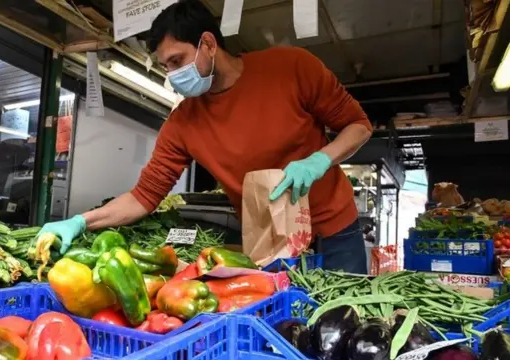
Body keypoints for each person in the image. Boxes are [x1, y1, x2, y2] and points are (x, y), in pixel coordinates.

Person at [38, 0, 373, 273]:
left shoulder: (292, 68)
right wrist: (81, 221)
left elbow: (359, 125)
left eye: (177, 61)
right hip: (267, 244)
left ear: (208, 44)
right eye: (165, 67)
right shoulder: (183, 122)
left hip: (335, 231)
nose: (172, 75)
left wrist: (319, 160)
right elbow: (143, 197)